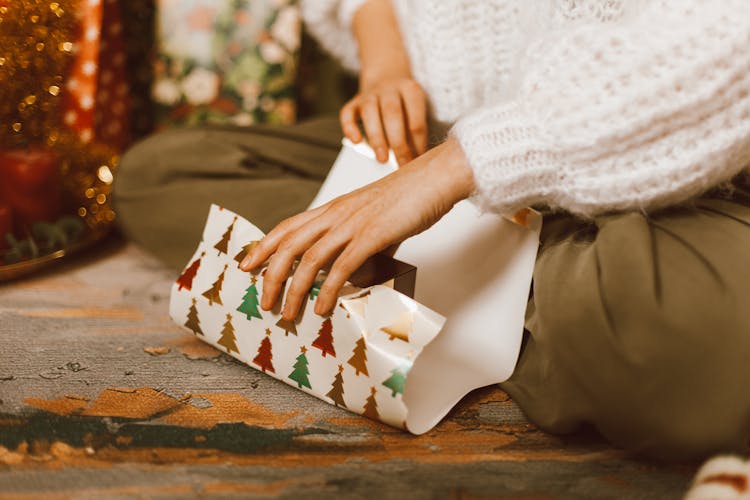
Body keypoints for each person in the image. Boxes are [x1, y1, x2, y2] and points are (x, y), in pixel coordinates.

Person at [113, 0, 750, 459]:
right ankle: (496, 283)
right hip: (431, 136)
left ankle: (433, 278)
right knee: (160, 173)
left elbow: (727, 39)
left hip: (646, 158)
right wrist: (387, 66)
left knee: (701, 366)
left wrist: (458, 169)